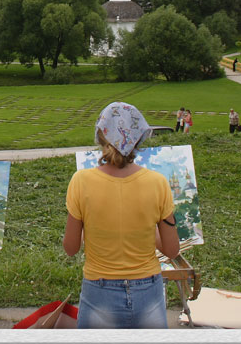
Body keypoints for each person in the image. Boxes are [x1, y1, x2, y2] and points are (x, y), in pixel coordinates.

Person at [63, 102, 181, 329]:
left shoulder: (81, 181)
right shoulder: (158, 183)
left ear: (100, 136)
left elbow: (70, 248)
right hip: (148, 290)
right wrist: (147, 229)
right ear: (138, 139)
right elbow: (172, 250)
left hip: (99, 290)